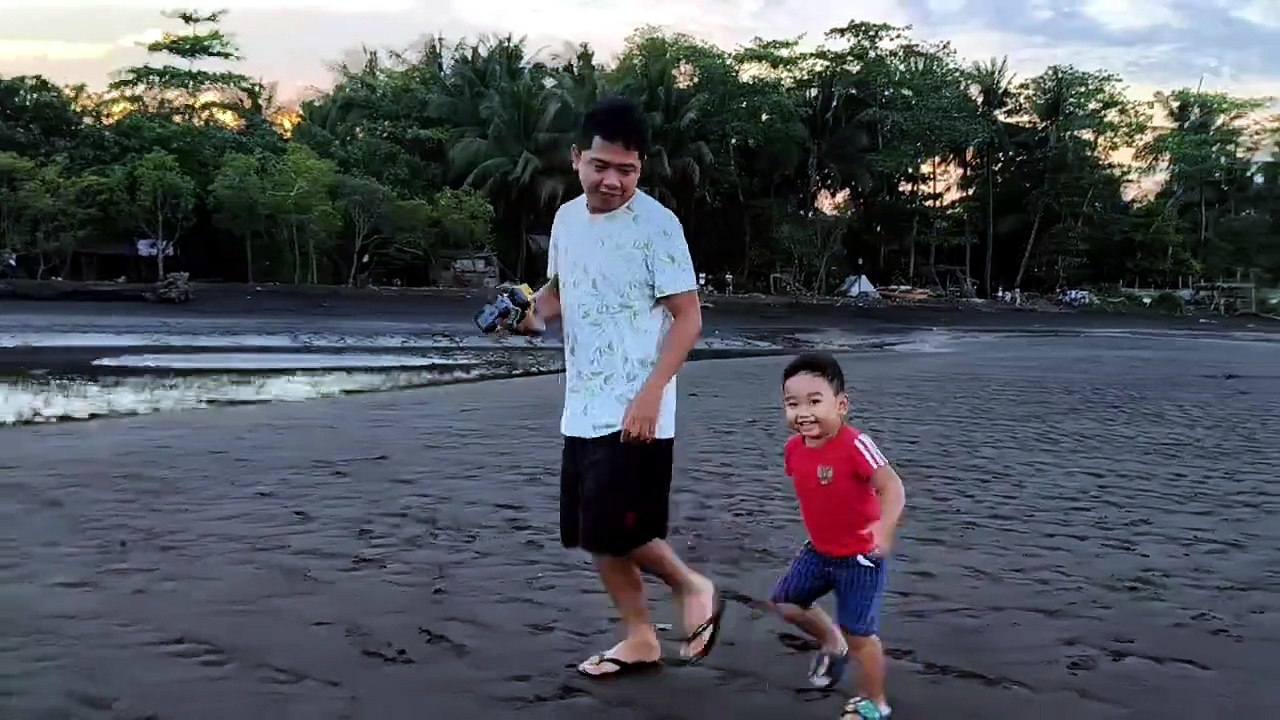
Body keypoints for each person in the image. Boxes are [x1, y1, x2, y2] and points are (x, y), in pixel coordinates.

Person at [514, 96, 724, 678]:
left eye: (626, 170)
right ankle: (639, 638)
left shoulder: (659, 226)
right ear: (577, 157)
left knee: (622, 530)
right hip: (581, 405)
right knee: (594, 536)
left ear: (642, 167)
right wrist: (532, 314)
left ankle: (692, 585)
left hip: (638, 408)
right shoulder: (565, 220)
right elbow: (558, 291)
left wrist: (652, 393)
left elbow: (689, 317)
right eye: (601, 166)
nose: (612, 181)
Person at [771, 352, 906, 719]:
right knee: (785, 602)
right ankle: (832, 641)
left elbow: (892, 486)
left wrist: (885, 524)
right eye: (792, 403)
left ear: (841, 404)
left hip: (860, 558)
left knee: (861, 634)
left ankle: (875, 701)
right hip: (818, 551)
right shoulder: (792, 450)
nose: (804, 412)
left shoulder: (855, 444)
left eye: (815, 401)